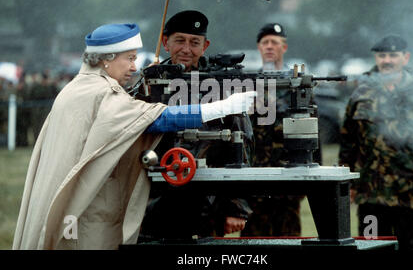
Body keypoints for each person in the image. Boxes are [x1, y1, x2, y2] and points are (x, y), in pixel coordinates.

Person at [13, 23, 255, 250]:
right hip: (90, 209)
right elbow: (155, 118)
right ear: (107, 59)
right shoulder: (101, 92)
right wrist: (220, 108)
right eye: (129, 58)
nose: (134, 66)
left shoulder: (81, 87)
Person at [140, 11, 253, 239]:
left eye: (194, 43)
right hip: (152, 200)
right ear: (165, 42)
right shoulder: (147, 85)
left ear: (205, 46)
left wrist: (236, 208)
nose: (186, 49)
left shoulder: (221, 87)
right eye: (179, 40)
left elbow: (242, 146)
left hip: (206, 202)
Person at [338, 34, 413, 250]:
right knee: (371, 248)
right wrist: (346, 184)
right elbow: (348, 141)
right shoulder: (361, 93)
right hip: (370, 195)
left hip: (410, 194)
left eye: (393, 55)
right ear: (376, 58)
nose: (387, 60)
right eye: (382, 55)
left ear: (405, 58)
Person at [241, 23, 306, 237]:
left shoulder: (297, 87)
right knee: (253, 245)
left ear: (284, 48)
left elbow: (310, 136)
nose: (269, 47)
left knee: (290, 240)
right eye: (265, 42)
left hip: (288, 182)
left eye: (274, 43)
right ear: (259, 48)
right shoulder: (248, 85)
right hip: (255, 180)